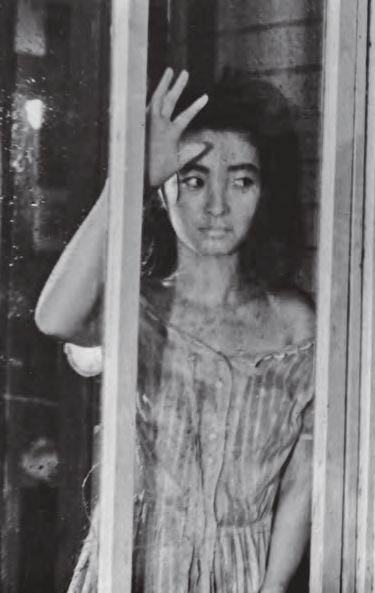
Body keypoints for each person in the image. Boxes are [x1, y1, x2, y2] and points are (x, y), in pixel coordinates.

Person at [35, 69, 314, 593]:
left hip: (244, 576)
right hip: (135, 571)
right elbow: (54, 318)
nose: (217, 206)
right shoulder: (139, 307)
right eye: (193, 179)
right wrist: (128, 179)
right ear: (162, 191)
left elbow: (304, 475)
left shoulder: (295, 324)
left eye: (242, 181)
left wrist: (273, 586)